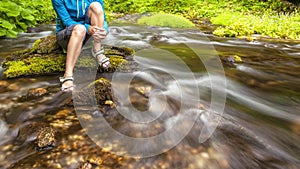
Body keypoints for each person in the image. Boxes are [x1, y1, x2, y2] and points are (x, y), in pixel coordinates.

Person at [52, 0, 110, 92]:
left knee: (96, 6)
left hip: (88, 33)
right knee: (80, 29)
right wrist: (88, 28)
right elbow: (67, 21)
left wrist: (104, 31)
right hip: (67, 35)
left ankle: (97, 49)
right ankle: (68, 74)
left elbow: (103, 19)